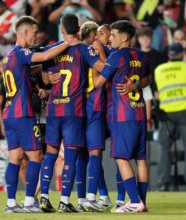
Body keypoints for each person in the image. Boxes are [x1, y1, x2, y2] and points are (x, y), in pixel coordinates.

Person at [1, 15, 76, 213]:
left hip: (9, 113)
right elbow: (43, 56)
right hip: (23, 113)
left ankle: (10, 204)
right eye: (34, 33)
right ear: (24, 32)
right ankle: (29, 202)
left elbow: (24, 71)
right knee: (36, 156)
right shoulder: (23, 52)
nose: (37, 36)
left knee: (15, 158)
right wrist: (67, 43)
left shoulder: (9, 56)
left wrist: (37, 75)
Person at [39, 13, 104, 213]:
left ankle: (43, 197)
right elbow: (103, 67)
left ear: (62, 29)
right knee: (70, 156)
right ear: (78, 29)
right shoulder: (84, 50)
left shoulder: (51, 49)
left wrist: (50, 79)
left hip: (53, 109)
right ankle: (65, 200)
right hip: (73, 111)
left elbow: (46, 79)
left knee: (50, 154)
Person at [92, 20, 150, 213]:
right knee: (140, 159)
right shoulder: (141, 56)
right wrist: (136, 86)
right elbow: (148, 78)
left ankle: (134, 201)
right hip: (140, 112)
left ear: (124, 38)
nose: (110, 37)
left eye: (113, 35)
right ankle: (142, 202)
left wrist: (93, 61)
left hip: (124, 115)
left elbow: (99, 83)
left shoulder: (117, 57)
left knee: (121, 157)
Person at [74, 21, 111, 212]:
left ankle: (93, 197)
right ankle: (90, 197)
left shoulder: (76, 51)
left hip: (77, 107)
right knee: (95, 152)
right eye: (102, 34)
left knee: (83, 154)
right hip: (94, 104)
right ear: (94, 35)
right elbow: (106, 71)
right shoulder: (95, 50)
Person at [154, 43, 186, 192]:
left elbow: (156, 95)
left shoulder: (159, 70)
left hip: (167, 114)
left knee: (164, 148)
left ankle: (163, 182)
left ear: (169, 55)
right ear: (182, 54)